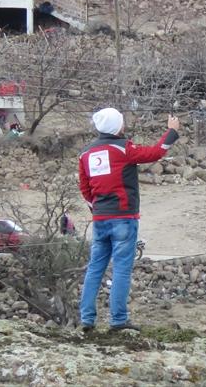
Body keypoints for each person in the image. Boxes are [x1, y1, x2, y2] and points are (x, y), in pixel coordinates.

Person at [78, 108, 180, 333]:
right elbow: (154, 153)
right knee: (122, 268)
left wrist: (96, 208)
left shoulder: (85, 153)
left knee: (95, 268)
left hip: (100, 218)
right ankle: (118, 320)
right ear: (117, 126)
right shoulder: (123, 148)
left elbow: (85, 189)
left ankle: (86, 319)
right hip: (123, 217)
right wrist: (171, 132)